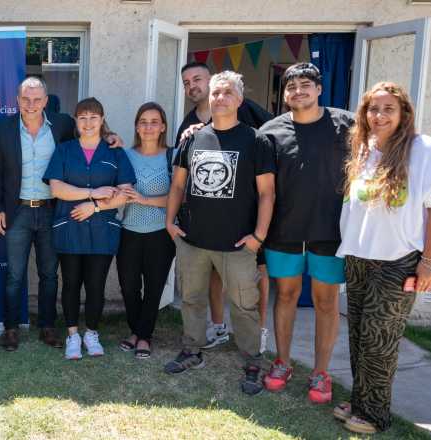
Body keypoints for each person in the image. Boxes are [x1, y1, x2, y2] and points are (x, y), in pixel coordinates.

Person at [333, 82, 431, 434]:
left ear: (404, 114)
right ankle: (360, 400)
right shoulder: (364, 148)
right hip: (359, 255)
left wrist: (430, 262)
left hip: (399, 259)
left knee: (380, 339)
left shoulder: (424, 151)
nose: (379, 115)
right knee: (358, 334)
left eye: (389, 109)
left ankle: (374, 414)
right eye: (373, 109)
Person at [163, 71, 275, 397]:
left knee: (244, 304)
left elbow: (267, 193)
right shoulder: (193, 139)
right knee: (192, 299)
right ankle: (192, 349)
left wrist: (259, 236)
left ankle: (253, 359)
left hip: (238, 243)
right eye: (215, 93)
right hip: (193, 240)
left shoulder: (256, 141)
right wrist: (170, 223)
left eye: (227, 93)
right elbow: (178, 185)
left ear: (239, 100)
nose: (220, 98)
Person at [43, 97, 135, 360]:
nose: (88, 122)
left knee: (96, 285)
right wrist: (94, 193)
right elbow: (57, 188)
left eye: (94, 117)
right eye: (82, 117)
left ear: (102, 119)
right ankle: (73, 334)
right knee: (71, 283)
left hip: (102, 229)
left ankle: (92, 333)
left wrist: (93, 207)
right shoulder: (64, 150)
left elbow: (125, 193)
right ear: (76, 120)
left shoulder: (115, 152)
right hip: (69, 227)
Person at [0, 77, 77, 351]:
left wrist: (110, 136)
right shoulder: (3, 130)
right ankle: (12, 328)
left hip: (52, 211)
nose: (31, 104)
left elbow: (90, 134)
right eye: (26, 99)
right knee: (15, 275)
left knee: (49, 274)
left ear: (46, 101)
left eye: (37, 99)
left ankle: (47, 327)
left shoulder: (62, 125)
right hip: (18, 212)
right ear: (17, 100)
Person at [115, 102, 175, 360]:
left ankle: (143, 336)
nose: (148, 127)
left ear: (162, 127)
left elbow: (178, 197)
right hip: (128, 230)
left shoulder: (173, 156)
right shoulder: (125, 155)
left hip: (161, 232)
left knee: (153, 287)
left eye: (154, 122)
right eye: (143, 121)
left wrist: (144, 199)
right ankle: (136, 329)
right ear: (136, 127)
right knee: (128, 286)